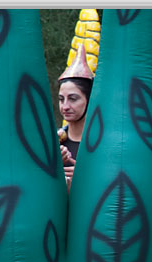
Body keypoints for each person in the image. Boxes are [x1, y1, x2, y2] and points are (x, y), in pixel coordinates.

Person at [57, 43, 94, 192]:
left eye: (73, 99)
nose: (65, 106)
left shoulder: (103, 145)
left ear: (90, 100)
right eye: (61, 99)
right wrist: (52, 163)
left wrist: (89, 177)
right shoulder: (54, 143)